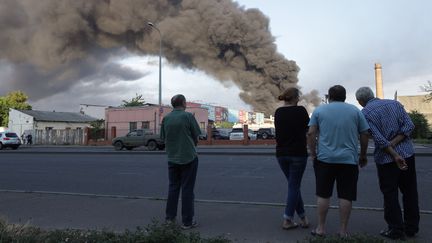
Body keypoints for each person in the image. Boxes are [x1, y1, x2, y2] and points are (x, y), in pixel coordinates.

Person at [356, 86, 419, 240]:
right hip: (408, 154)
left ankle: (396, 229)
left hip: (386, 160)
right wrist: (396, 143)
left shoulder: (365, 113)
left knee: (390, 194)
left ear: (361, 101)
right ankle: (411, 227)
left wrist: (392, 150)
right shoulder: (395, 104)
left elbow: (378, 139)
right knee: (410, 192)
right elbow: (409, 126)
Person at [307, 85, 369, 237]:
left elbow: (311, 133)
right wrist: (362, 155)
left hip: (325, 159)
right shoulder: (355, 111)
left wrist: (313, 154)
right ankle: (343, 231)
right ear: (345, 96)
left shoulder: (319, 110)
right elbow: (364, 134)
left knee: (323, 194)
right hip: (348, 160)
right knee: (346, 195)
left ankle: (321, 228)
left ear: (329, 97)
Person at [160, 94, 201, 230]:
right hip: (189, 157)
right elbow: (196, 136)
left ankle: (170, 220)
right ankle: (187, 222)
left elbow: (163, 138)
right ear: (183, 103)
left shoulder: (166, 118)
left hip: (172, 158)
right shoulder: (188, 116)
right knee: (187, 189)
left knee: (173, 188)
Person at [274, 87, 310, 230]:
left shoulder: (278, 112)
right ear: (295, 98)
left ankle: (303, 218)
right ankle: (287, 219)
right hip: (298, 154)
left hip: (281, 154)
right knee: (294, 186)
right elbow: (309, 129)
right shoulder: (301, 111)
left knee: (293, 186)